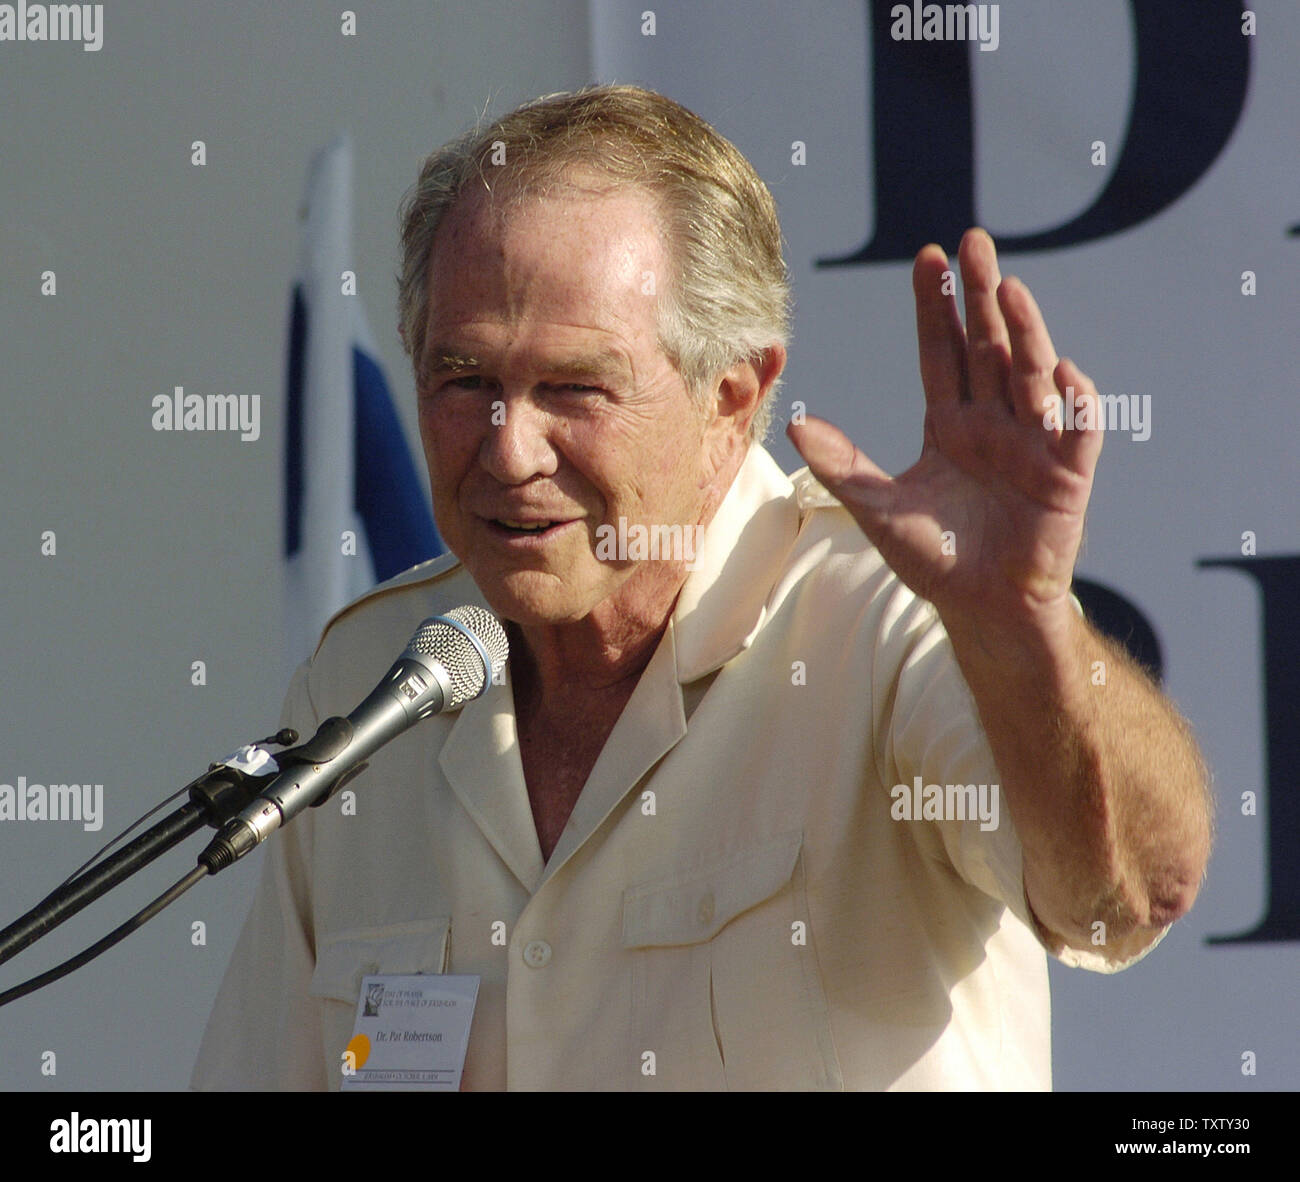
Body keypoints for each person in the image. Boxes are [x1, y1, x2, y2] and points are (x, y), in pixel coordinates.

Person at [192, 84, 1211, 1090]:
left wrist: (1023, 633)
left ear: (731, 397)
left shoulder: (884, 624)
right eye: (465, 381)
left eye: (572, 389)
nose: (508, 451)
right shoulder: (369, 681)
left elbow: (1124, 897)